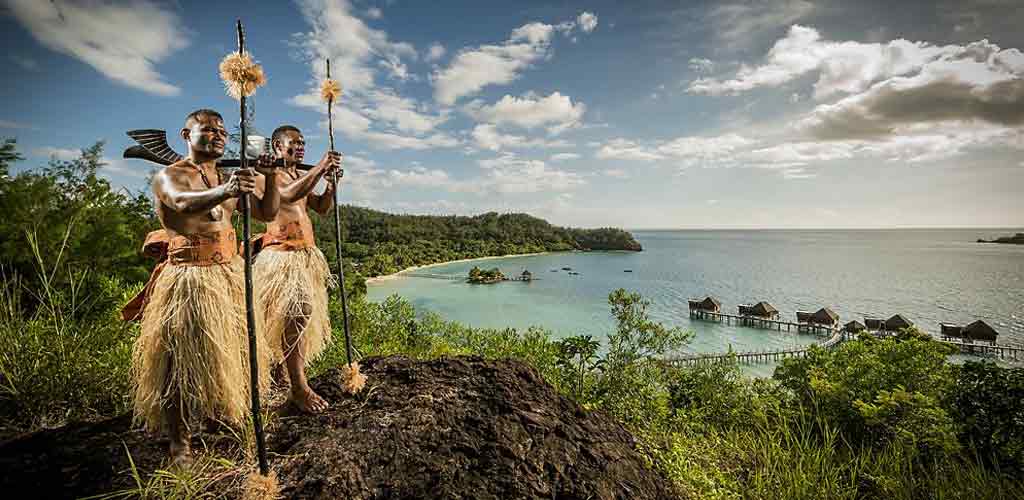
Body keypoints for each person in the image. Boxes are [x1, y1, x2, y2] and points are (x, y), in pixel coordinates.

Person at [127, 108, 280, 466]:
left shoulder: (224, 177)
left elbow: (267, 213)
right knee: (178, 363)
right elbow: (181, 203)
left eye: (222, 131)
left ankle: (218, 414)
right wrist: (227, 188)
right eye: (208, 130)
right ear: (186, 135)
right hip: (190, 278)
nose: (218, 135)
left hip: (228, 274)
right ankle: (179, 439)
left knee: (231, 350)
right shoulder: (170, 175)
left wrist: (269, 177)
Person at [253, 125, 342, 413]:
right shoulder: (267, 176)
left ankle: (286, 376)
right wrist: (321, 166)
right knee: (296, 312)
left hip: (306, 256)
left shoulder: (299, 175)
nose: (301, 146)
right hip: (282, 257)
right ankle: (299, 387)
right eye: (294, 142)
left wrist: (330, 184)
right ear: (278, 145)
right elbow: (287, 197)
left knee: (297, 321)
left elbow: (321, 207)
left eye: (303, 142)